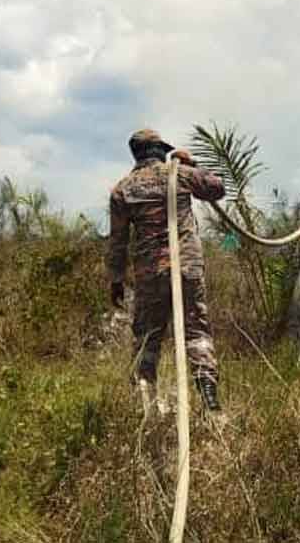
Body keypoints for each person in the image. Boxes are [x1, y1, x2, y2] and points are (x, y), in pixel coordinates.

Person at [108, 129, 226, 414]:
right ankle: (210, 400)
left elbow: (117, 241)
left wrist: (116, 280)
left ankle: (145, 404)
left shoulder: (123, 188)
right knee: (196, 331)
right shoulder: (180, 174)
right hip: (185, 267)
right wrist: (192, 164)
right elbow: (217, 188)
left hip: (149, 274)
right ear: (160, 150)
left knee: (147, 337)